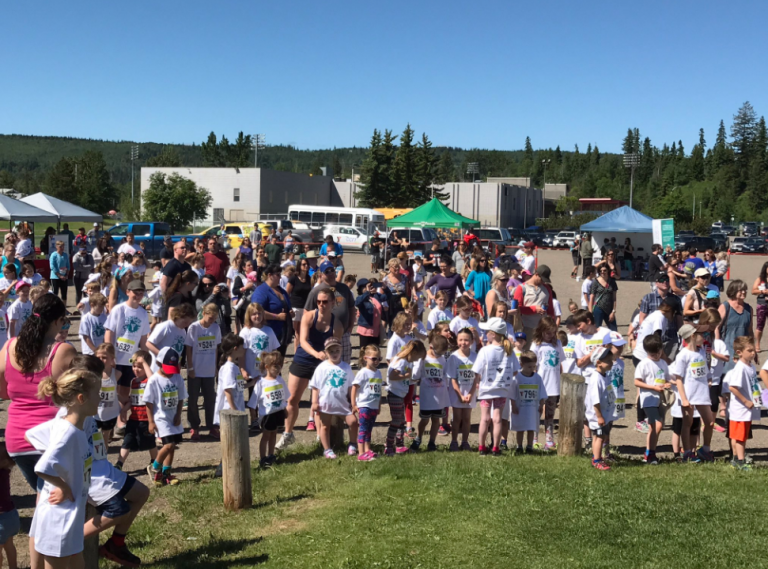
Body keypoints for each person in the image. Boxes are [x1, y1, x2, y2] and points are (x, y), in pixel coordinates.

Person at [0, 294, 76, 491]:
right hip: (51, 438)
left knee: (45, 498)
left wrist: (19, 395)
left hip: (18, 439)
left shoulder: (9, 347)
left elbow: (3, 391)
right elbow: (76, 395)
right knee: (61, 502)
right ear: (58, 321)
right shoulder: (63, 351)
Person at [26, 368, 100, 568]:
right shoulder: (68, 434)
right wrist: (63, 485)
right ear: (81, 399)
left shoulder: (68, 426)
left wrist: (62, 472)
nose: (100, 399)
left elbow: (33, 435)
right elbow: (42, 467)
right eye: (97, 394)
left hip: (72, 516)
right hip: (60, 521)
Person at [276, 288, 343, 451]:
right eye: (318, 302)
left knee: (321, 403)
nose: (321, 304)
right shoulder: (308, 316)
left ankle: (321, 438)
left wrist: (329, 358)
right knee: (292, 399)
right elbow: (303, 341)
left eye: (325, 301)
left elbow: (335, 347)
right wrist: (316, 353)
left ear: (333, 303)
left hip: (322, 364)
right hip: (303, 359)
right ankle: (287, 434)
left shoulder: (337, 325)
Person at [105, 279, 150, 436]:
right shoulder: (119, 310)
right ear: (128, 292)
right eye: (135, 292)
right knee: (110, 390)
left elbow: (144, 339)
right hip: (116, 357)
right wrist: (108, 355)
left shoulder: (143, 313)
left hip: (131, 359)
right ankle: (109, 425)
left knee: (125, 391)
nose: (138, 295)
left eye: (141, 292)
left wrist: (145, 359)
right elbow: (109, 332)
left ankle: (121, 421)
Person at [474, 317, 519, 456]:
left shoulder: (485, 351)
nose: (485, 332)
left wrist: (477, 382)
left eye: (487, 330)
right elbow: (516, 370)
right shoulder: (509, 351)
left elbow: (477, 370)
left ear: (492, 334)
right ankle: (495, 448)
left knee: (484, 419)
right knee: (497, 419)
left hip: (486, 389)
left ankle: (481, 447)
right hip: (502, 389)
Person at [310, 336, 359, 459]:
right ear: (326, 353)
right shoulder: (321, 368)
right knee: (325, 426)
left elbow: (350, 387)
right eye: (331, 351)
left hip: (342, 403)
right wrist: (314, 402)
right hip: (326, 403)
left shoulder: (346, 367)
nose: (334, 353)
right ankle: (327, 449)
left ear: (341, 350)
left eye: (337, 350)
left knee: (353, 422)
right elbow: (315, 387)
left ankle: (353, 444)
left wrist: (353, 403)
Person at [672, 324, 715, 462]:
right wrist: (684, 399)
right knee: (687, 424)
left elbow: (704, 370)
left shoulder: (701, 351)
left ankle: (705, 449)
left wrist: (708, 379)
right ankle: (688, 453)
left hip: (702, 394)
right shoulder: (683, 355)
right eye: (701, 334)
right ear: (692, 336)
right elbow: (678, 378)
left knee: (709, 422)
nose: (704, 337)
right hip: (689, 395)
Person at [144, 347, 187, 487]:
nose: (170, 372)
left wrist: (179, 414)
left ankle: (165, 474)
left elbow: (181, 398)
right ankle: (154, 468)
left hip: (173, 417)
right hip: (160, 418)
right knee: (168, 445)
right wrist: (150, 421)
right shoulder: (154, 381)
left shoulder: (177, 378)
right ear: (159, 363)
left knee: (172, 446)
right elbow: (148, 403)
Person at [304, 260, 355, 363]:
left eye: (332, 270)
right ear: (321, 275)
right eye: (327, 272)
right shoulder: (316, 291)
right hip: (324, 335)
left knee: (344, 364)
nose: (331, 273)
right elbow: (307, 313)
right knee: (327, 365)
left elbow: (351, 308)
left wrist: (350, 327)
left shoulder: (344, 288)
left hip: (344, 334)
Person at [116, 350, 158, 472]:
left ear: (146, 366)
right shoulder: (133, 382)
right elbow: (132, 400)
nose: (136, 369)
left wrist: (144, 362)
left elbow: (152, 378)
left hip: (146, 419)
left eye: (139, 367)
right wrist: (124, 410)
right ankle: (119, 464)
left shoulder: (149, 381)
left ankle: (154, 462)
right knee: (127, 441)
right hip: (133, 418)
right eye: (134, 366)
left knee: (150, 443)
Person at [634, 335, 672, 465]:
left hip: (660, 400)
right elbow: (637, 382)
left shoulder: (662, 363)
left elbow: (666, 378)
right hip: (648, 400)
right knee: (657, 424)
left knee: (654, 427)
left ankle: (650, 453)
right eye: (653, 354)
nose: (656, 355)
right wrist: (653, 388)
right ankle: (650, 452)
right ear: (647, 352)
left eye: (658, 352)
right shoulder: (643, 364)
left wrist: (669, 384)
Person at [247, 351, 289, 467]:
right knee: (266, 436)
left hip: (278, 412)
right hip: (267, 414)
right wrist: (254, 416)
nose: (278, 368)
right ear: (267, 367)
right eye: (275, 366)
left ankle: (271, 455)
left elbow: (284, 396)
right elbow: (253, 401)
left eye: (280, 365)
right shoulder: (261, 383)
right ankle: (262, 458)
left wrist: (285, 409)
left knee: (274, 434)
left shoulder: (280, 380)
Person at [385, 340, 426, 456]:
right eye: (417, 357)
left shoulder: (405, 361)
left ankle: (399, 444)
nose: (416, 360)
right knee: (396, 421)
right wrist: (406, 376)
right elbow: (392, 375)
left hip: (400, 394)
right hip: (395, 394)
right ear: (413, 353)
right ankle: (388, 445)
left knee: (401, 421)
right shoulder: (401, 361)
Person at [531, 316, 566, 450]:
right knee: (537, 412)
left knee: (550, 413)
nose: (550, 335)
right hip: (541, 383)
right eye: (548, 332)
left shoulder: (557, 343)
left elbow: (561, 363)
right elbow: (533, 363)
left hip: (554, 385)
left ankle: (549, 439)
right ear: (541, 331)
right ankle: (533, 438)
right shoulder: (537, 344)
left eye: (553, 332)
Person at [726, 336, 761, 470]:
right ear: (739, 352)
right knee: (739, 437)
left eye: (753, 350)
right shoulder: (740, 368)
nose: (753, 353)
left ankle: (737, 458)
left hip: (747, 410)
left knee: (743, 436)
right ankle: (740, 461)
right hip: (740, 410)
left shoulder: (750, 366)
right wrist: (745, 401)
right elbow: (733, 387)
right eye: (750, 350)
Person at [411, 335, 449, 452]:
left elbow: (444, 375)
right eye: (438, 353)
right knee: (424, 420)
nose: (440, 356)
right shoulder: (424, 358)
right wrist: (418, 363)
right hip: (427, 397)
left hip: (439, 397)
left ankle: (432, 442)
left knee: (436, 420)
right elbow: (415, 376)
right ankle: (418, 438)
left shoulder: (442, 359)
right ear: (431, 347)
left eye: (442, 353)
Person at [445, 328, 478, 451]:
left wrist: (470, 394)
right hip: (456, 393)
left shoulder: (475, 357)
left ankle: (465, 441)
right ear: (457, 340)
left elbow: (476, 378)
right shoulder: (453, 357)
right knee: (457, 418)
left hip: (470, 392)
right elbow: (452, 379)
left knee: (467, 418)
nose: (463, 343)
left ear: (472, 341)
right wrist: (459, 395)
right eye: (460, 340)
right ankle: (454, 441)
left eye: (466, 340)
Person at [351, 344, 383, 461]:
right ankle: (361, 453)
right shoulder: (363, 372)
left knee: (369, 429)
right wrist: (354, 404)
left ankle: (367, 450)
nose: (376, 361)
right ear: (365, 358)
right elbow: (354, 387)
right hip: (364, 405)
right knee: (363, 429)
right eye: (374, 359)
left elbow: (379, 390)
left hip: (374, 406)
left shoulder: (378, 373)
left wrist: (379, 405)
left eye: (379, 359)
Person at [252, 264, 293, 355]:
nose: (280, 277)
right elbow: (256, 311)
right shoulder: (261, 291)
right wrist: (277, 316)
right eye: (278, 275)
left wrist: (290, 312)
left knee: (278, 364)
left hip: (283, 334)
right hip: (268, 334)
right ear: (270, 276)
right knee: (269, 363)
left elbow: (287, 306)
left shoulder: (281, 291)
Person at [510, 350, 547, 453]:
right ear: (522, 364)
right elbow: (512, 394)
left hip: (532, 408)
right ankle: (519, 446)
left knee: (531, 427)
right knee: (520, 428)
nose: (532, 369)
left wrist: (541, 405)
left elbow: (542, 393)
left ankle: (530, 446)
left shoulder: (537, 378)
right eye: (529, 367)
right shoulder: (517, 378)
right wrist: (513, 405)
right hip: (520, 408)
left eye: (533, 367)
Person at [718, 280, 754, 375]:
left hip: (743, 348)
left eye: (745, 290)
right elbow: (716, 328)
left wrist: (753, 348)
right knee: (728, 375)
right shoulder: (725, 307)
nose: (744, 292)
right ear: (733, 291)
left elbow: (750, 330)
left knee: (742, 374)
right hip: (727, 347)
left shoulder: (749, 309)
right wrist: (718, 346)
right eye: (741, 290)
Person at [512, 265, 555, 342]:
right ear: (536, 274)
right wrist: (534, 309)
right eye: (542, 279)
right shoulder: (521, 288)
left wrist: (552, 325)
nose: (543, 282)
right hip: (526, 327)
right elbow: (517, 309)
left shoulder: (547, 289)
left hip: (543, 329)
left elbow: (550, 309)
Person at [0, 445, 18, 569]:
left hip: (1, 519)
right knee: (9, 545)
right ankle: (13, 567)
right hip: (11, 515)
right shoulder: (5, 472)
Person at [589, 263, 618, 331]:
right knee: (597, 330)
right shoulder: (595, 282)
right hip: (598, 308)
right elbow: (592, 297)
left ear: (608, 270)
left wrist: (613, 311)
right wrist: (590, 312)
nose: (602, 272)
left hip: (609, 309)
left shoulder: (612, 282)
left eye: (604, 270)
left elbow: (614, 298)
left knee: (614, 331)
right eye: (601, 270)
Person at [751, 261, 768, 351]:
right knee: (760, 325)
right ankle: (757, 345)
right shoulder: (760, 279)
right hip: (762, 304)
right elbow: (753, 291)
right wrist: (763, 292)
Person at [49, 240, 70, 304]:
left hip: (64, 277)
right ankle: (54, 307)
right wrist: (59, 275)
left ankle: (64, 308)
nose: (62, 248)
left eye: (63, 246)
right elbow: (52, 266)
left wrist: (66, 275)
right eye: (60, 246)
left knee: (64, 293)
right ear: (56, 247)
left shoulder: (65, 255)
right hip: (55, 277)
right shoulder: (53, 255)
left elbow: (68, 265)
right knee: (55, 293)